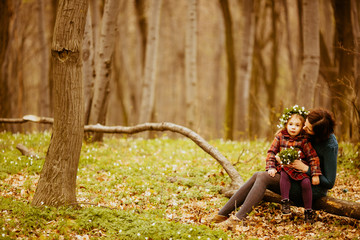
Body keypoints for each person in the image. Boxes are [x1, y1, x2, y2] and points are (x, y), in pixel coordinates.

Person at [210, 107, 338, 230]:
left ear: (318, 133)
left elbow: (329, 183)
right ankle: (222, 214)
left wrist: (306, 168)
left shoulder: (330, 146)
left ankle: (238, 218)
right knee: (257, 175)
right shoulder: (305, 133)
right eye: (305, 124)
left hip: (310, 187)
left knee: (262, 177)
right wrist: (283, 133)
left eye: (308, 128)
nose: (304, 128)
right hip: (291, 176)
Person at [266, 106, 321, 222]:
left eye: (297, 125)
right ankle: (285, 202)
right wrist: (271, 167)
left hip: (300, 169)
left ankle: (308, 211)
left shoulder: (304, 140)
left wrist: (315, 174)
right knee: (284, 175)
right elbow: (271, 152)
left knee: (306, 183)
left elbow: (313, 157)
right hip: (285, 167)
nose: (293, 127)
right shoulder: (281, 136)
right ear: (286, 124)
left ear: (302, 127)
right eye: (291, 124)